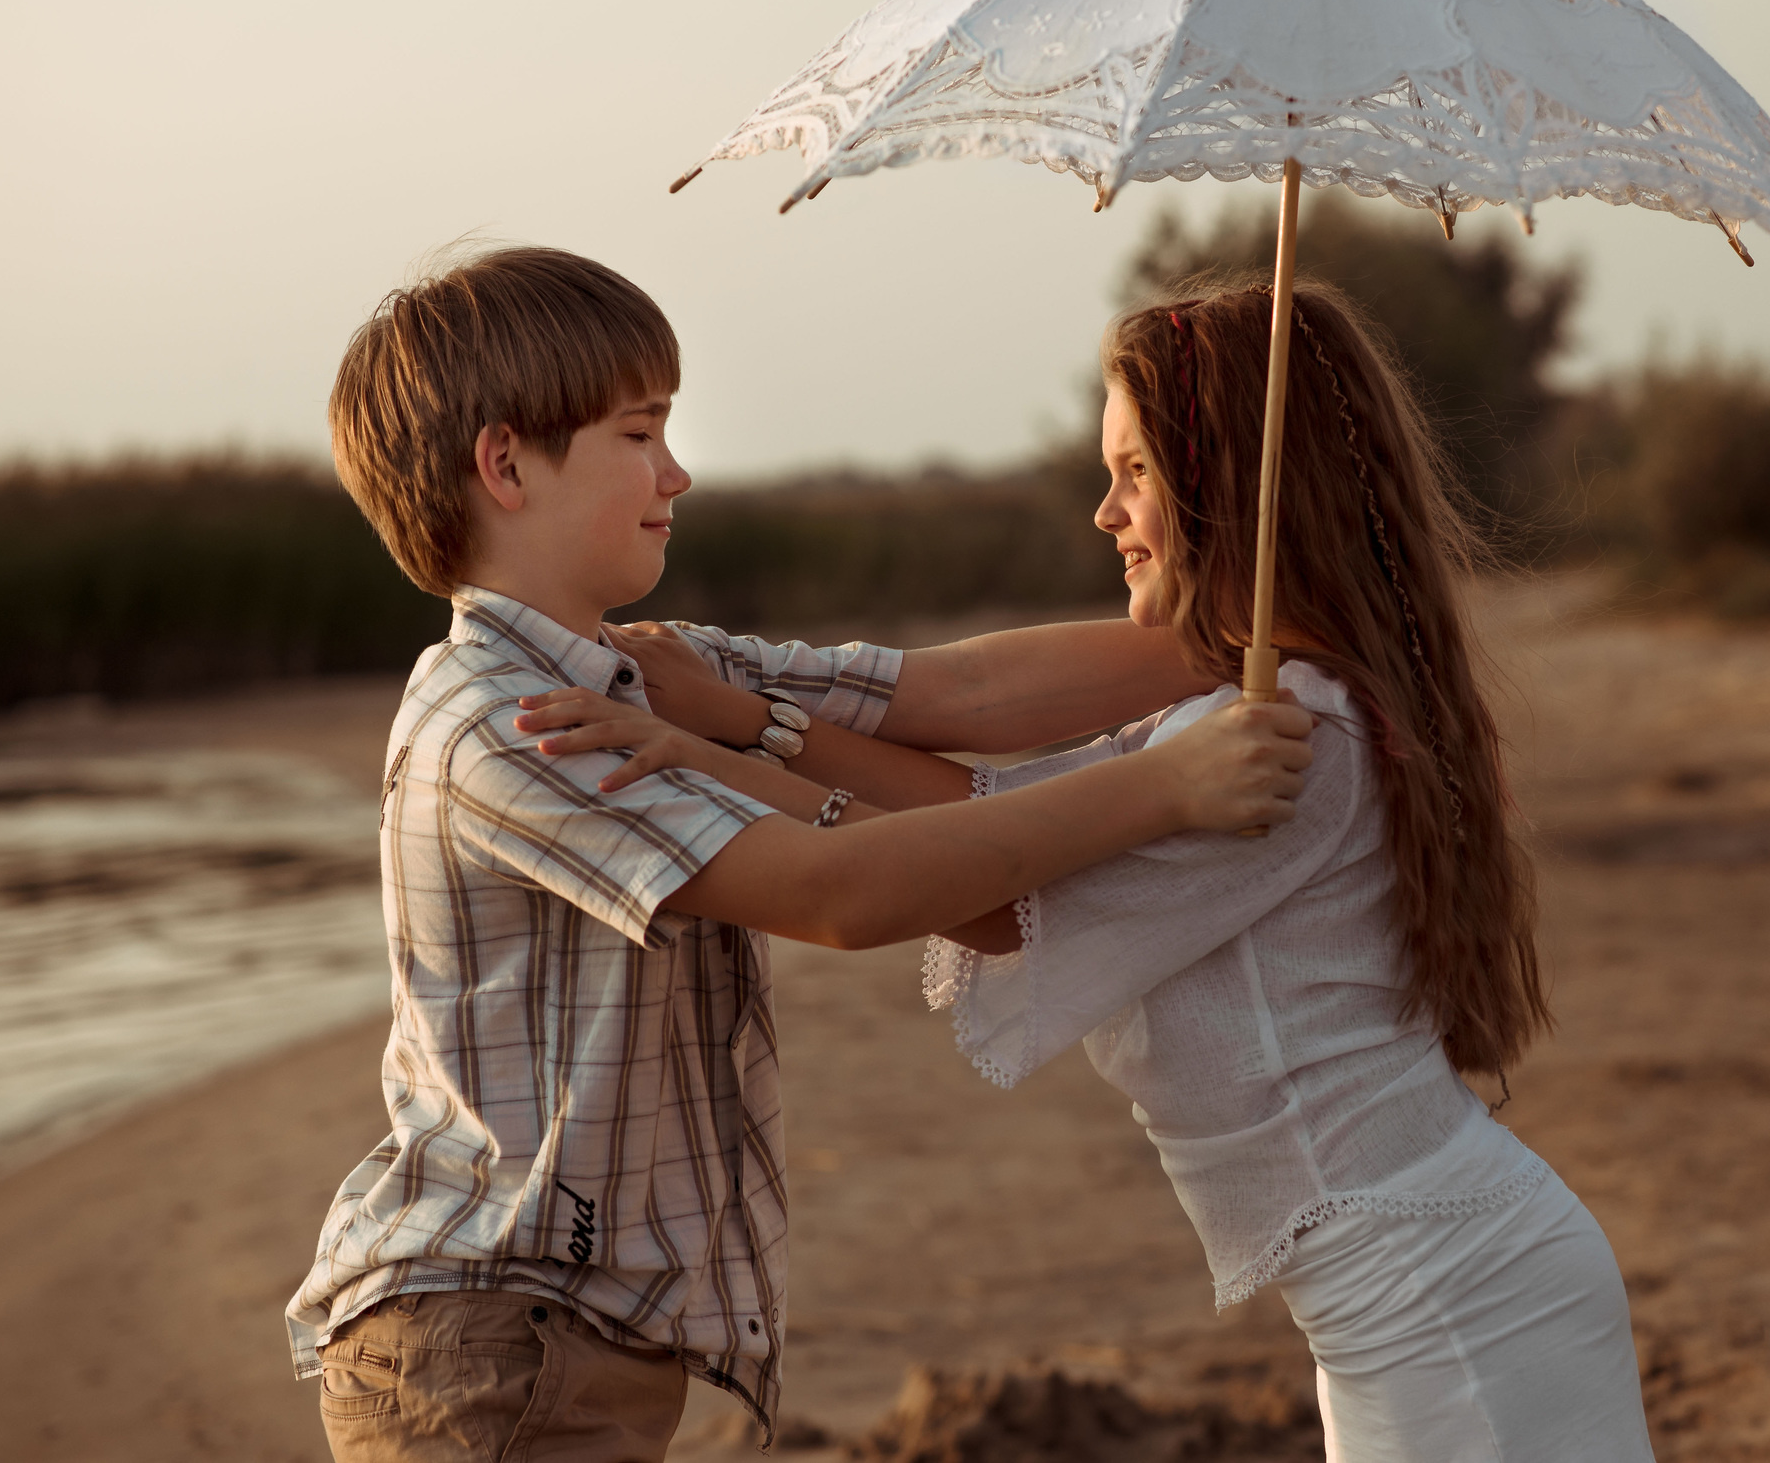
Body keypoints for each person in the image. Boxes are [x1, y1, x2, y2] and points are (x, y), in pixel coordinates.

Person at [534, 280, 1658, 1461]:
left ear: (1232, 488)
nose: (1104, 510)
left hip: (1456, 1299)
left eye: (1134, 471)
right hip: (1415, 1286)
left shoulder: (1290, 739)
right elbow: (999, 813)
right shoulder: (1245, 709)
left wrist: (710, 753)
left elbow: (990, 894)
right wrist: (741, 722)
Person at [289, 246, 1313, 1462]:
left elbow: (956, 692)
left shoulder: (642, 665)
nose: (676, 470)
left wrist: (1262, 637)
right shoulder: (515, 725)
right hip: (487, 1341)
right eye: (638, 434)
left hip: (547, 1335)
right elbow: (837, 893)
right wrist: (1164, 785)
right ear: (505, 464)